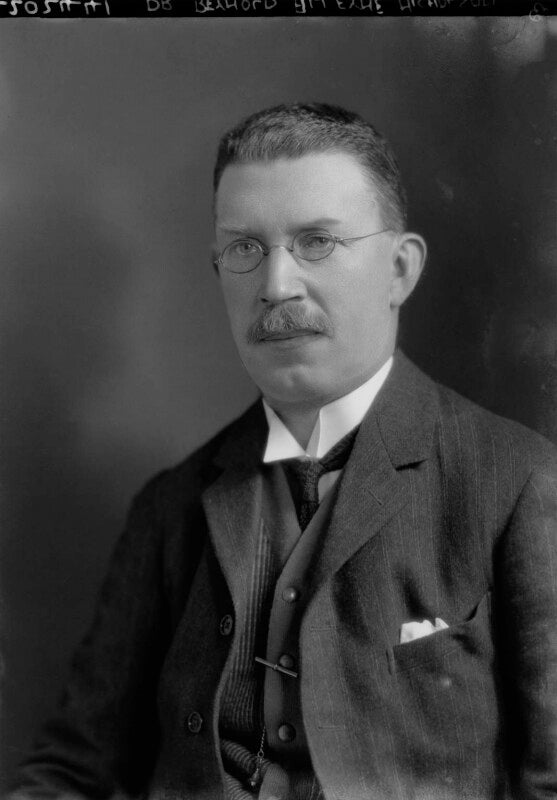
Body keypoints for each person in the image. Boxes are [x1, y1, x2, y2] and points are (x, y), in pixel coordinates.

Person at [8, 103, 557, 800]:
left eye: (317, 242)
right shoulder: (169, 509)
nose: (275, 287)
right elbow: (74, 772)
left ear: (399, 269)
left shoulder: (517, 482)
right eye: (245, 248)